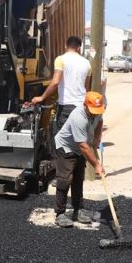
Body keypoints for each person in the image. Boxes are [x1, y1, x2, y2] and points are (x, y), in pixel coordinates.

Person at [52, 91, 106, 228]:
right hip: (66, 148)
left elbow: (100, 120)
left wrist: (97, 138)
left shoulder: (97, 109)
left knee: (78, 179)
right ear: (85, 105)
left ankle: (78, 209)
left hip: (80, 147)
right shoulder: (78, 118)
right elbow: (83, 146)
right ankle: (60, 213)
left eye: (97, 110)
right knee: (65, 179)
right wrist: (97, 164)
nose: (95, 113)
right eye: (92, 110)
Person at [31, 35, 95, 134]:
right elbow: (87, 88)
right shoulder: (87, 63)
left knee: (63, 141)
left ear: (66, 46)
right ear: (79, 48)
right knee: (79, 139)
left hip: (66, 107)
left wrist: (42, 97)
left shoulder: (61, 59)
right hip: (82, 107)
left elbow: (56, 81)